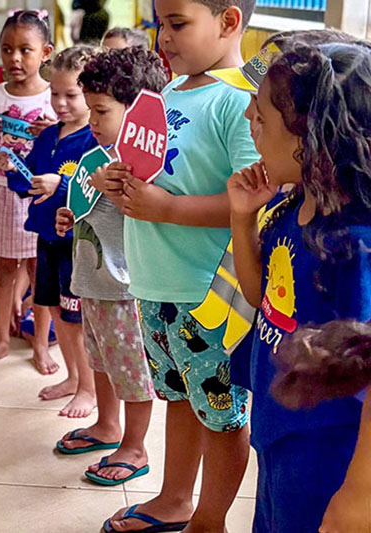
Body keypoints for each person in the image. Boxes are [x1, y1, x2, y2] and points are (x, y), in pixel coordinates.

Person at [94, 0, 259, 530]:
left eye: (178, 24)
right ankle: (174, 499)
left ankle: (209, 520)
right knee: (180, 401)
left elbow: (250, 200)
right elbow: (158, 170)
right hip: (155, 282)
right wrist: (120, 181)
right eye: (160, 23)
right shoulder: (167, 92)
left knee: (220, 416)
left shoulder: (239, 100)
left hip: (207, 292)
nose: (163, 37)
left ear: (229, 21)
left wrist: (165, 208)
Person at [227, 41, 371, 533]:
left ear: (313, 138)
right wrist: (242, 220)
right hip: (280, 429)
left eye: (262, 117)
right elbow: (260, 297)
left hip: (326, 451)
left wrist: (359, 493)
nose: (249, 115)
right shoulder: (294, 206)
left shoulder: (354, 245)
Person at [54, 46, 167, 489]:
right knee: (98, 359)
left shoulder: (144, 166)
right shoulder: (95, 156)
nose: (92, 120)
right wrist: (68, 216)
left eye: (101, 111)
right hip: (92, 283)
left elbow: (146, 217)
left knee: (131, 370)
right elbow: (86, 210)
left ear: (138, 112)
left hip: (124, 291)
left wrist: (117, 188)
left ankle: (135, 447)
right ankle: (106, 425)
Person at [0, 44, 100, 413]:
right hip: (46, 239)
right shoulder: (48, 136)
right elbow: (29, 182)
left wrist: (62, 185)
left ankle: (88, 387)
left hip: (76, 245)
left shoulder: (95, 141)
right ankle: (73, 377)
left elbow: (96, 192)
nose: (61, 103)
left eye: (72, 95)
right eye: (55, 93)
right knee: (55, 312)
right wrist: (14, 170)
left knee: (76, 319)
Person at [0, 10, 58, 372]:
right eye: (7, 49)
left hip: (37, 195)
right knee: (3, 268)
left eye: (25, 50)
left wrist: (52, 132)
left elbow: (65, 152)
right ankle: (1, 339)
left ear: (45, 52)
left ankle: (40, 346)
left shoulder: (54, 100)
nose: (15, 58)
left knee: (39, 271)